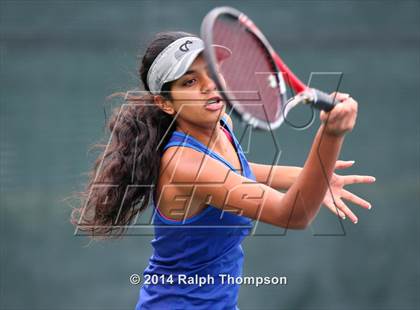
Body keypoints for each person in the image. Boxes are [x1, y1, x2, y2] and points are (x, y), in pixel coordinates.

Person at [72, 31, 375, 310]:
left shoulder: (222, 126)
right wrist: (331, 136)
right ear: (165, 103)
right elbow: (292, 214)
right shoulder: (185, 166)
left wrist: (309, 177)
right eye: (189, 81)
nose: (209, 85)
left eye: (212, 72)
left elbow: (236, 172)